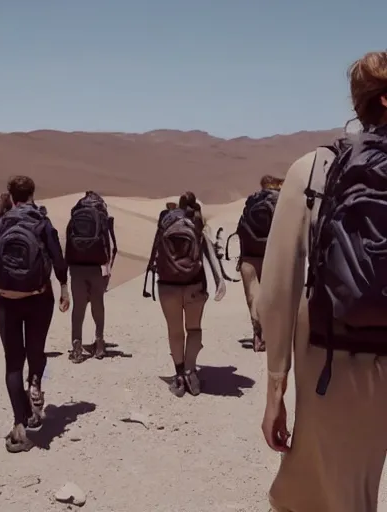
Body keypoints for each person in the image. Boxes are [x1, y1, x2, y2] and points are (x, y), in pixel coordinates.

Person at [258, 51, 387, 512]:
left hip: (333, 361)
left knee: (334, 494)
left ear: (357, 103)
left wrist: (276, 389)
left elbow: (276, 292)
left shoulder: (312, 171)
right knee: (357, 483)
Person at [0, 176, 71, 453]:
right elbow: (59, 260)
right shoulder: (42, 222)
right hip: (39, 298)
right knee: (36, 349)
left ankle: (19, 426)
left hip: (7, 301)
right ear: (32, 194)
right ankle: (36, 382)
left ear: (11, 196)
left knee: (13, 364)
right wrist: (64, 289)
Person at [145, 192, 226, 397]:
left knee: (175, 331)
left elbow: (156, 254)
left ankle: (179, 375)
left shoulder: (165, 224)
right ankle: (191, 373)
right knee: (194, 329)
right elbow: (210, 255)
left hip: (167, 286)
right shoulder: (197, 227)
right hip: (194, 286)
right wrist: (220, 282)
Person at [232, 175, 283, 352]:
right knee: (274, 298)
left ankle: (259, 336)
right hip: (274, 256)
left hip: (250, 256)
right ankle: (275, 336)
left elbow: (241, 229)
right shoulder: (281, 201)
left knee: (254, 298)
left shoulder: (253, 200)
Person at [65, 191, 117, 363]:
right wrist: (107, 269)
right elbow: (107, 245)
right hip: (96, 266)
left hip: (76, 267)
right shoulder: (101, 216)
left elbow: (68, 243)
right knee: (98, 304)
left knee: (78, 307)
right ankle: (100, 343)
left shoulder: (75, 214)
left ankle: (77, 347)